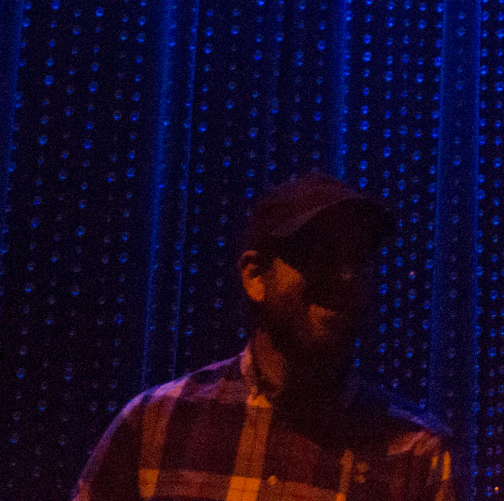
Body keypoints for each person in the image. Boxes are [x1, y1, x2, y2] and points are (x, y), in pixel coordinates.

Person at [72, 171, 458, 501]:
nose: (345, 275)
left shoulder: (415, 453)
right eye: (319, 253)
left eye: (359, 256)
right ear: (256, 276)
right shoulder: (155, 425)